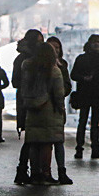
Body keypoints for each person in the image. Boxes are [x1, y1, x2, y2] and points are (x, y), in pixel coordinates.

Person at [18, 42, 69, 185]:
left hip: (32, 110)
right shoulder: (54, 71)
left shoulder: (28, 68)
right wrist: (61, 109)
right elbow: (59, 94)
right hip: (49, 110)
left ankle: (35, 173)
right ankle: (46, 173)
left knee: (34, 143)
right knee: (46, 143)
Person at [12, 29, 44, 185]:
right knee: (33, 137)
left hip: (24, 100)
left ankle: (26, 169)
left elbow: (15, 82)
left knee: (32, 138)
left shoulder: (20, 58)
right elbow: (16, 81)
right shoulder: (29, 60)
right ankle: (27, 169)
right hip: (29, 101)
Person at [71, 34, 99, 159]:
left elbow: (74, 75)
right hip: (95, 94)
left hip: (86, 93)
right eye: (95, 42)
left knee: (83, 121)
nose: (96, 44)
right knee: (92, 122)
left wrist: (83, 78)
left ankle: (80, 148)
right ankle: (94, 149)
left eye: (98, 42)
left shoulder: (82, 58)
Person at [46, 36, 73, 184]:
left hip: (58, 107)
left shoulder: (63, 65)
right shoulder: (41, 65)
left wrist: (61, 92)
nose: (55, 50)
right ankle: (46, 170)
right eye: (52, 47)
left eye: (57, 48)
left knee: (58, 140)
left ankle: (61, 171)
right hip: (46, 107)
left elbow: (67, 84)